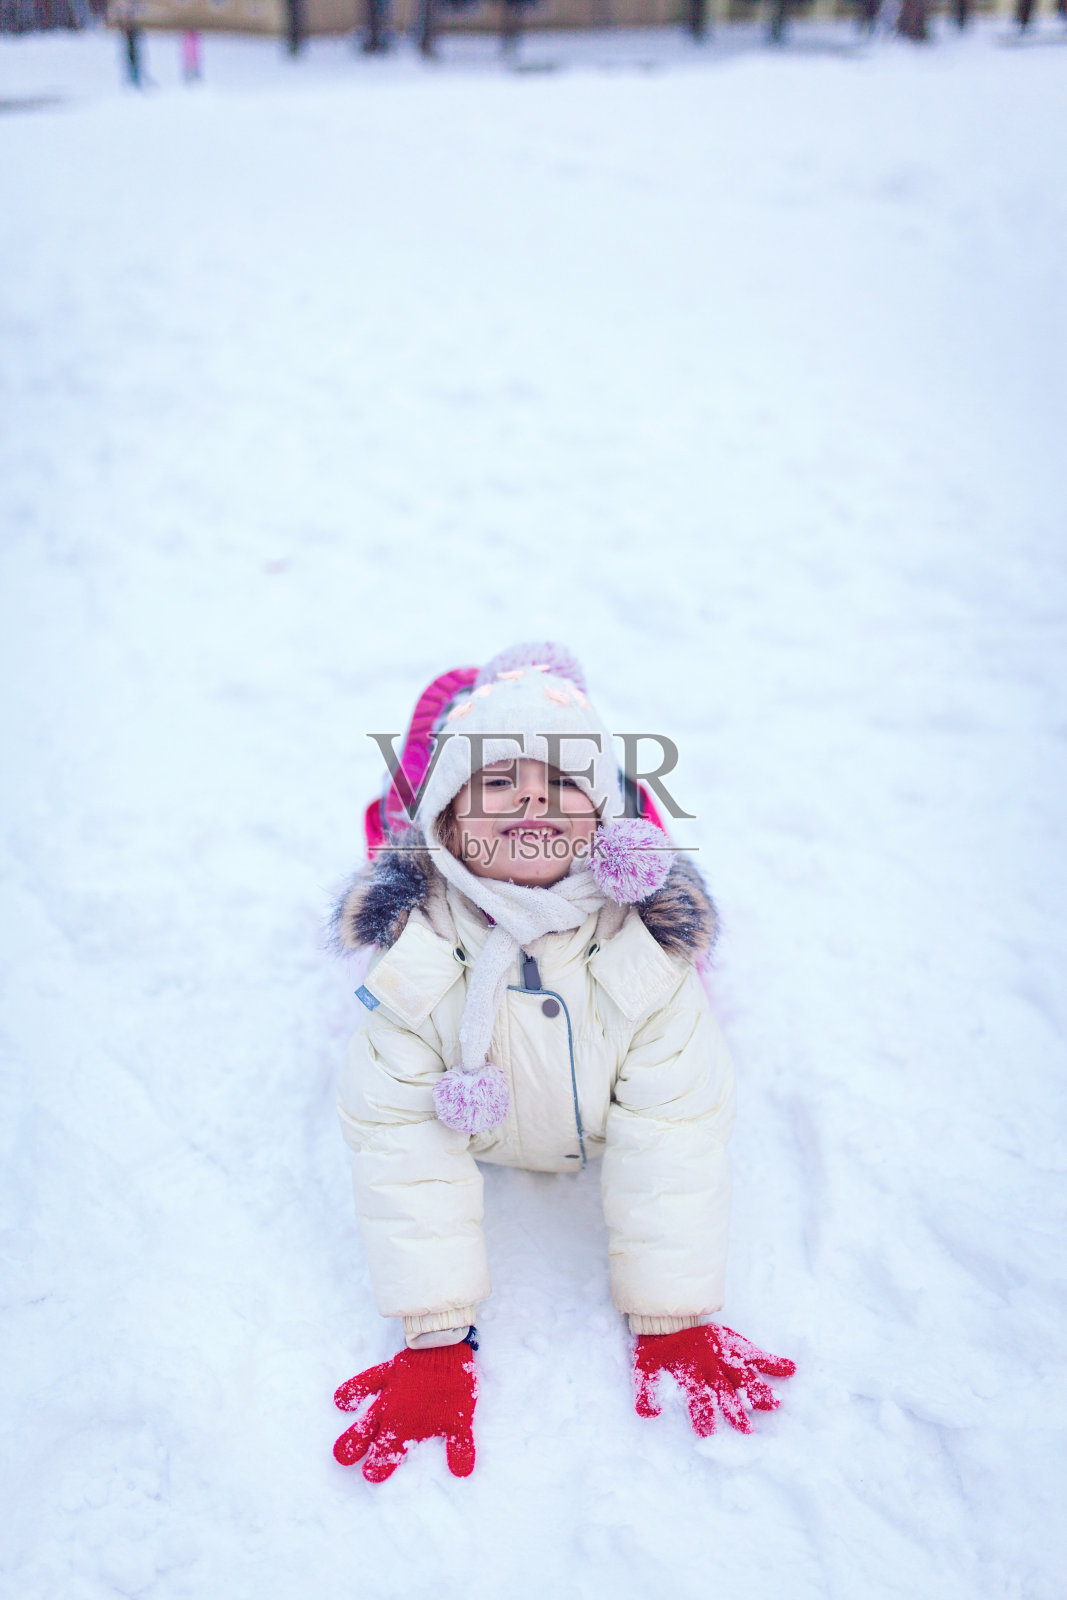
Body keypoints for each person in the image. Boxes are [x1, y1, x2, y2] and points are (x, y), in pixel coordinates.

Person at [330, 643, 795, 1481]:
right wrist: (435, 1337)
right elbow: (399, 1142)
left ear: (608, 824)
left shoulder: (644, 961)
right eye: (498, 785)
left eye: (562, 786)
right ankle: (422, 764)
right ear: (444, 820)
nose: (531, 803)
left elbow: (673, 1130)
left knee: (693, 1013)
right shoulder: (415, 966)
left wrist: (672, 1317)